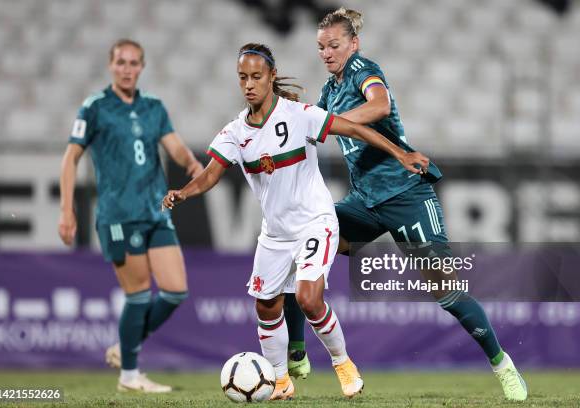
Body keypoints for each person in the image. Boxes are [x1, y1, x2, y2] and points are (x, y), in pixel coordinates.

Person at [282, 8, 528, 402]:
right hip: (364, 202)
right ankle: (296, 351)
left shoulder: (365, 70)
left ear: (353, 43)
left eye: (334, 45)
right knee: (301, 255)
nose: (326, 53)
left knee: (446, 290)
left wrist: (332, 122)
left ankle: (502, 364)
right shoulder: (329, 91)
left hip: (407, 196)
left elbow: (378, 107)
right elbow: (313, 132)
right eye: (320, 47)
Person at [162, 42, 429, 400]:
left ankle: (343, 363)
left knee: (307, 298)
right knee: (266, 306)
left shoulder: (300, 114)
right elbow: (210, 175)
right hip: (275, 234)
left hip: (315, 222)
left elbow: (353, 129)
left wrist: (400, 153)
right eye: (243, 77)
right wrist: (184, 191)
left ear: (272, 76)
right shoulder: (235, 133)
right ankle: (280, 381)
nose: (249, 84)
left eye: (256, 76)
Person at [58, 39, 204, 393]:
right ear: (111, 65)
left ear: (141, 67)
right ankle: (129, 375)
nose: (127, 69)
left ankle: (124, 349)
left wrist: (191, 163)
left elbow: (174, 146)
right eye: (121, 62)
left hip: (156, 210)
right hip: (119, 216)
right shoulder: (95, 107)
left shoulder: (153, 106)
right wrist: (67, 210)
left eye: (134, 63)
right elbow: (70, 158)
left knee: (175, 291)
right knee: (138, 294)